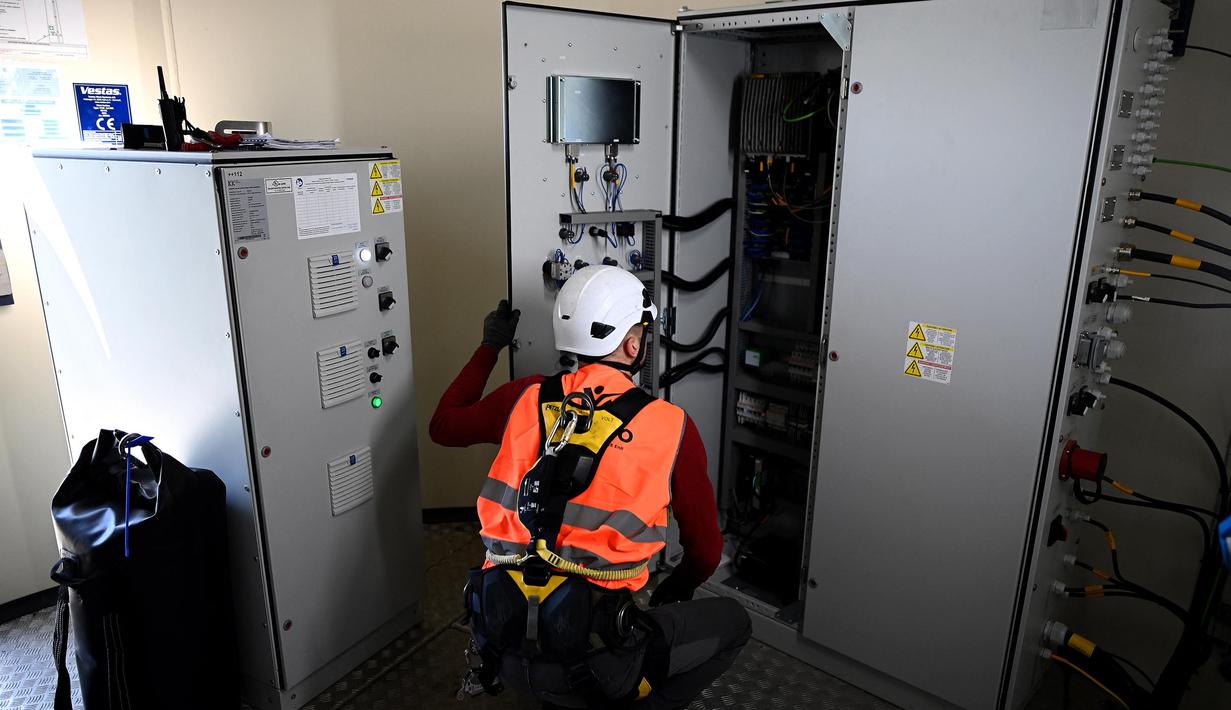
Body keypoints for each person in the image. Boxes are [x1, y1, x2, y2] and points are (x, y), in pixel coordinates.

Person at [432, 266, 750, 709]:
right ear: (633, 344)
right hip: (597, 661)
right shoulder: (670, 426)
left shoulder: (526, 397)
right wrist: (669, 594)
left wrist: (491, 345)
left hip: (502, 648)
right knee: (734, 624)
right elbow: (706, 554)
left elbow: (443, 425)